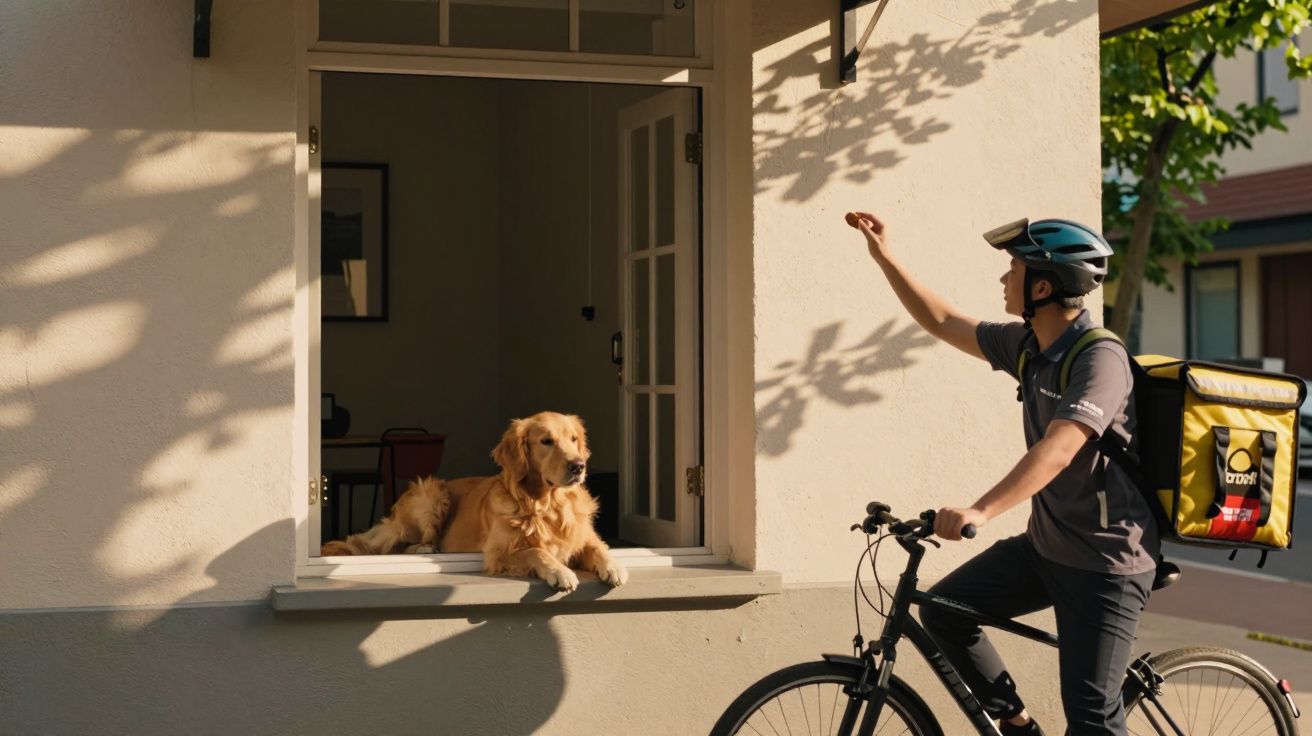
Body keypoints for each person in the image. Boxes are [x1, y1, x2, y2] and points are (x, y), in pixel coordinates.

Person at [846, 212, 1160, 736]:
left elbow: (1060, 450)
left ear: (1042, 284)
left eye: (1012, 269)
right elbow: (944, 321)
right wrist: (886, 257)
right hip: (1047, 547)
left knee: (1092, 719)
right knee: (946, 611)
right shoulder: (1030, 347)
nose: (1002, 278)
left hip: (1106, 562)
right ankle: (1017, 725)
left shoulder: (1099, 358)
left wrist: (979, 510)